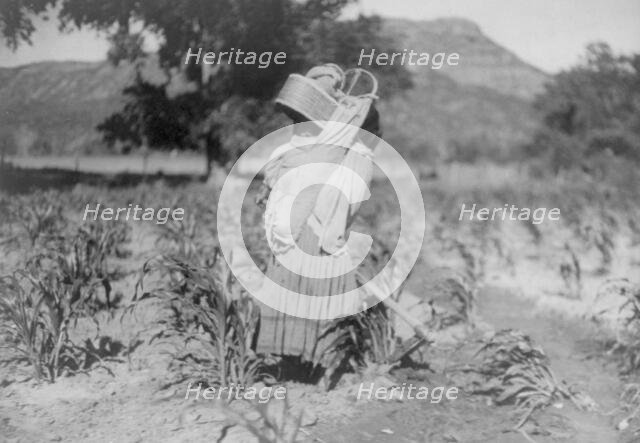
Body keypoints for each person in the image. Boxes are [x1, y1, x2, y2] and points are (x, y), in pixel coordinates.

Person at [256, 64, 382, 359]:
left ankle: (313, 356)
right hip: (301, 222)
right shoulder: (308, 141)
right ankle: (294, 355)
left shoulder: (342, 138)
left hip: (314, 222)